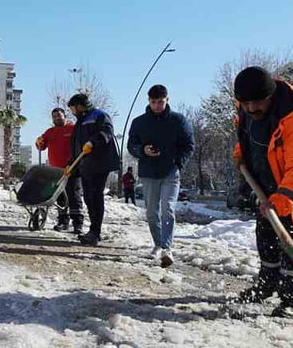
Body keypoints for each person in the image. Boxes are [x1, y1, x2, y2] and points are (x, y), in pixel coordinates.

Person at [231, 66, 293, 316]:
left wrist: (281, 201)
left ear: (270, 96)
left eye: (257, 102)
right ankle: (266, 284)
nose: (251, 108)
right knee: (266, 233)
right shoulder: (245, 112)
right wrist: (240, 157)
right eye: (246, 103)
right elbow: (247, 141)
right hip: (268, 177)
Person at [128, 84, 195, 268]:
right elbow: (131, 145)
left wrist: (178, 163)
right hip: (148, 172)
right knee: (151, 212)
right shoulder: (139, 122)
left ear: (167, 99)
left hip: (170, 171)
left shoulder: (179, 121)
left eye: (161, 101)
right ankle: (157, 243)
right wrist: (143, 150)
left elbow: (189, 145)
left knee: (168, 208)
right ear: (148, 101)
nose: (157, 105)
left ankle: (167, 247)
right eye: (154, 102)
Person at [67, 93, 119, 246]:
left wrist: (93, 142)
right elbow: (77, 147)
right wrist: (71, 164)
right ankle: (93, 231)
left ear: (79, 106)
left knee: (95, 197)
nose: (72, 111)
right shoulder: (80, 122)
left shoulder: (99, 115)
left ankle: (95, 233)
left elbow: (107, 132)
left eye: (72, 108)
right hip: (85, 166)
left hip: (99, 163)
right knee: (89, 198)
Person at [34, 107, 83, 233]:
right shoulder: (50, 132)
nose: (57, 118)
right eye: (54, 116)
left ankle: (78, 224)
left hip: (72, 169)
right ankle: (63, 222)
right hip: (55, 171)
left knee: (73, 196)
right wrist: (39, 142)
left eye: (59, 116)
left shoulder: (73, 129)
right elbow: (42, 146)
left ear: (64, 116)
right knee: (60, 197)